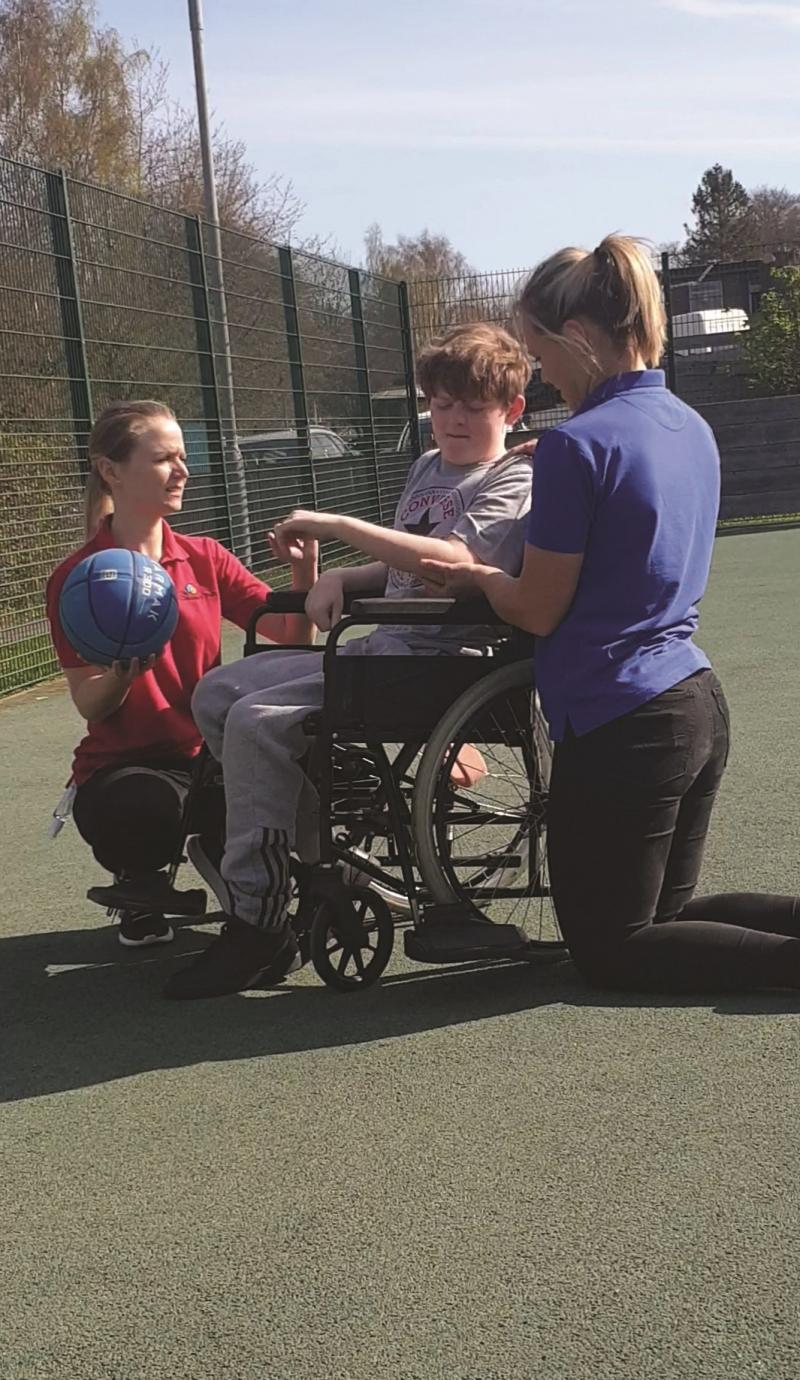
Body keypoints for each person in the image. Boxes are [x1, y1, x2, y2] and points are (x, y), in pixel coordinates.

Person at [422, 235, 800, 994]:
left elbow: (536, 607)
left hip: (621, 721)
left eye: (541, 352)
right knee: (668, 913)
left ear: (582, 339)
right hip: (695, 705)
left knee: (612, 949)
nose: (541, 372)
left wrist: (480, 574)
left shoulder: (573, 446)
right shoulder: (687, 424)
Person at [163, 322, 533, 999]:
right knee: (218, 694)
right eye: (441, 403)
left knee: (254, 721)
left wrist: (334, 526)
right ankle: (311, 858)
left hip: (445, 661)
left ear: (510, 411)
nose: (451, 420)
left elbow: (447, 563)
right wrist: (341, 577)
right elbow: (400, 568)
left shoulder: (513, 477)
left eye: (471, 407)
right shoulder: (428, 467)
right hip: (386, 643)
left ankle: (257, 919)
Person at [46, 400, 317, 948]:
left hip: (211, 756)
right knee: (140, 807)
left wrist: (303, 570)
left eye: (184, 458)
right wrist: (124, 675)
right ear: (111, 470)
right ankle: (140, 878)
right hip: (128, 765)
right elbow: (91, 703)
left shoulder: (204, 557)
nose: (183, 471)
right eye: (165, 458)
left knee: (281, 789)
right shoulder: (77, 580)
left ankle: (222, 851)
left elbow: (293, 637)